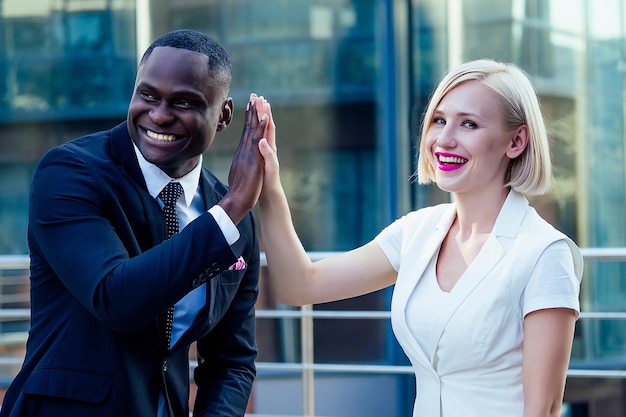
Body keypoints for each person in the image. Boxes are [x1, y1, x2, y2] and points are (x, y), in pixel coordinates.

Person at [255, 59, 583, 417]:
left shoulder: (543, 253)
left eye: (468, 124)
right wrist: (269, 186)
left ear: (517, 141)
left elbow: (543, 409)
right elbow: (300, 286)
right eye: (439, 120)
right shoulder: (417, 232)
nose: (444, 140)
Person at [0, 30, 271, 417]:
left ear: (224, 115)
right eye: (147, 95)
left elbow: (232, 362)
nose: (159, 115)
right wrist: (228, 213)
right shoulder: (69, 173)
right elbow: (117, 299)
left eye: (184, 102)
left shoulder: (233, 220)